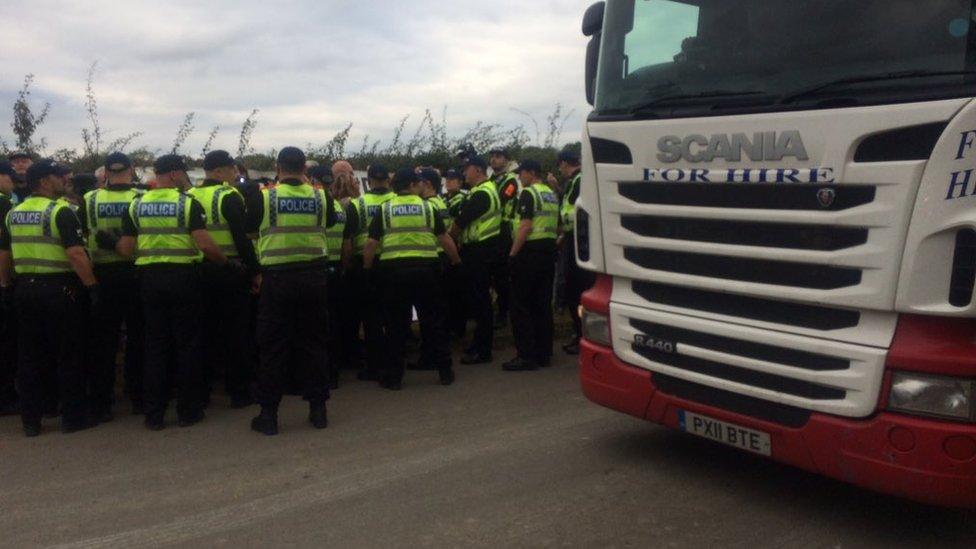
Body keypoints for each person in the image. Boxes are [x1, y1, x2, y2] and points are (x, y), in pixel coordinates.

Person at [116, 154, 227, 430]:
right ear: (176, 175)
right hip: (183, 280)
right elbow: (206, 245)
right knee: (187, 345)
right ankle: (188, 411)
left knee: (155, 346)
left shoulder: (136, 205)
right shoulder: (186, 203)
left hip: (149, 281)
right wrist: (226, 264)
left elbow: (126, 249)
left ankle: (153, 414)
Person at [0, 159, 98, 436]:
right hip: (59, 290)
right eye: (57, 176)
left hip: (25, 290)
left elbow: (4, 255)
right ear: (44, 181)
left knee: (30, 356)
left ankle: (32, 420)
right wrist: (91, 286)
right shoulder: (61, 212)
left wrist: (5, 286)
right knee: (68, 354)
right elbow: (76, 254)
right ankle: (73, 417)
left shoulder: (14, 213)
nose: (63, 179)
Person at [245, 147, 336, 436]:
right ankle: (318, 411)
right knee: (314, 344)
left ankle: (269, 415)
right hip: (314, 278)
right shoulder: (321, 196)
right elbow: (331, 222)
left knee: (273, 347)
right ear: (304, 168)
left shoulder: (265, 197)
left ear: (278, 166)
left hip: (278, 280)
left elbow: (248, 229)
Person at [363, 168, 461, 389]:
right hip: (426, 271)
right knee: (433, 321)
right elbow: (444, 238)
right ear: (411, 185)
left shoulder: (385, 210)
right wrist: (456, 262)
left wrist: (367, 270)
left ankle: (394, 377)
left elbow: (371, 244)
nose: (420, 185)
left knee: (396, 326)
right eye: (417, 182)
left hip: (394, 273)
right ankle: (445, 371)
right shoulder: (427, 207)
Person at [187, 150, 261, 408]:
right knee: (236, 333)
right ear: (219, 171)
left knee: (203, 332)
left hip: (198, 270)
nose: (235, 173)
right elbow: (242, 239)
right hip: (230, 271)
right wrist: (254, 271)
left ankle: (204, 391)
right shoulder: (229, 196)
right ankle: (239, 391)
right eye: (231, 168)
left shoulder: (190, 196)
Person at [78, 152, 146, 419]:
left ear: (105, 172)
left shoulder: (89, 199)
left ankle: (101, 402)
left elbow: (81, 237)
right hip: (134, 273)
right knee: (138, 338)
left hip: (102, 276)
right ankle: (138, 396)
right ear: (130, 170)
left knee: (103, 342)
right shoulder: (140, 199)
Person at [341, 164, 395, 382]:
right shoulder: (397, 202)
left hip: (365, 265)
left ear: (369, 181)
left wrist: (346, 268)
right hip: (392, 262)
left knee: (371, 317)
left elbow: (348, 242)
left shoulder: (358, 204)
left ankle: (375, 366)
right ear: (389, 181)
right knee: (393, 316)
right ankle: (393, 362)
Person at [504, 160, 558, 371]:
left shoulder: (528, 193)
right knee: (542, 305)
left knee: (521, 305)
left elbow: (525, 227)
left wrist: (512, 254)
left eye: (522, 173)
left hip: (529, 253)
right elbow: (559, 227)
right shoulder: (550, 194)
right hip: (548, 252)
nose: (519, 177)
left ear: (532, 173)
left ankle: (526, 355)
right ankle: (543, 353)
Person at [449, 156, 502, 365]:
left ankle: (482, 350)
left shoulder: (481, 193)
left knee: (480, 302)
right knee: (480, 301)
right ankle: (480, 345)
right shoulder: (487, 190)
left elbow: (460, 223)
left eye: (467, 169)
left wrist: (450, 239)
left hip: (479, 250)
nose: (464, 173)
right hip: (485, 249)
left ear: (478, 170)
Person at [310, 164, 346, 388]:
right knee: (333, 323)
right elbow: (348, 244)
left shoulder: (315, 204)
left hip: (314, 269)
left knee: (314, 328)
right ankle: (333, 373)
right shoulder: (339, 207)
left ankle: (317, 375)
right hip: (335, 269)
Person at [555, 150, 592, 355]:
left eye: (559, 165)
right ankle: (580, 334)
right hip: (574, 238)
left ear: (563, 163)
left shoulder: (579, 181)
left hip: (579, 240)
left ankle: (582, 335)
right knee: (574, 290)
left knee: (576, 291)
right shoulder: (577, 180)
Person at [489, 148, 519, 329]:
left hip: (504, 230)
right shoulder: (491, 180)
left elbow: (500, 199)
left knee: (502, 274)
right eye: (492, 157)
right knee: (493, 274)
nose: (494, 160)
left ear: (507, 161)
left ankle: (504, 312)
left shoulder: (510, 181)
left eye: (498, 157)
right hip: (492, 229)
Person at [0, 162, 18, 415]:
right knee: (5, 343)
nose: (12, 184)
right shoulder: (4, 203)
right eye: (10, 178)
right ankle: (5, 398)